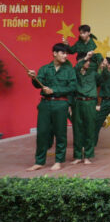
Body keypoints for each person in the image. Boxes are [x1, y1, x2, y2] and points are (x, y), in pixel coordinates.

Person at [26, 43, 77, 171]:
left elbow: (72, 87)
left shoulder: (69, 70)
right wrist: (33, 78)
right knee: (42, 133)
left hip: (61, 104)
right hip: (45, 104)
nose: (65, 56)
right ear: (55, 53)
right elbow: (38, 85)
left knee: (60, 133)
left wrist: (54, 90)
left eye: (67, 53)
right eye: (63, 53)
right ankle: (39, 162)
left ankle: (58, 161)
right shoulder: (44, 69)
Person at [72, 50, 103, 164]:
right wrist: (85, 58)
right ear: (79, 61)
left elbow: (102, 80)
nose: (88, 63)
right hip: (78, 103)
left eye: (89, 61)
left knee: (90, 129)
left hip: (90, 103)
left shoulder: (93, 73)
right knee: (77, 130)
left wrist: (100, 62)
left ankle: (87, 156)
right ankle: (78, 156)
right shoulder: (75, 73)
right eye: (86, 61)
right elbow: (76, 68)